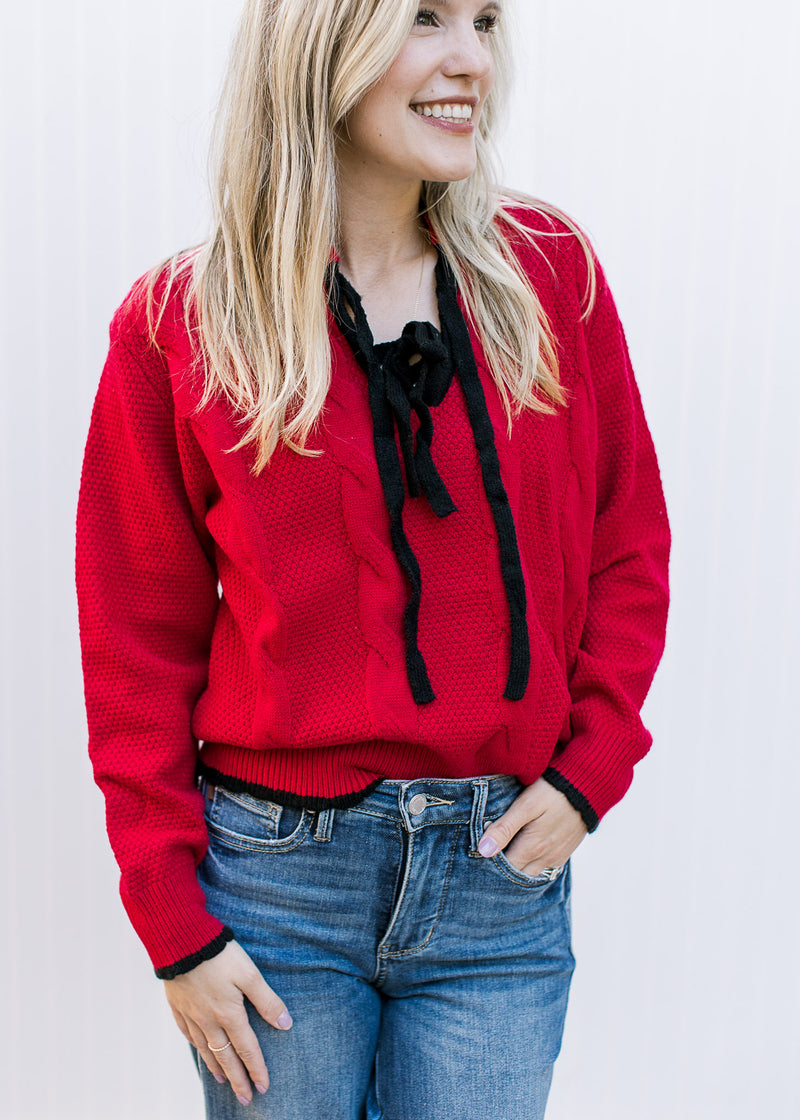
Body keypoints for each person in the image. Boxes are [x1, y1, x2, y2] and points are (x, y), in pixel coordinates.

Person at [75, 1, 670, 1117]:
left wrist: (592, 768)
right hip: (274, 889)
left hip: (501, 884)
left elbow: (624, 542)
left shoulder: (551, 280)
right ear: (320, 45)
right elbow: (134, 643)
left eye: (486, 21)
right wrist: (173, 924)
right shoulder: (180, 326)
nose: (471, 60)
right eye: (426, 19)